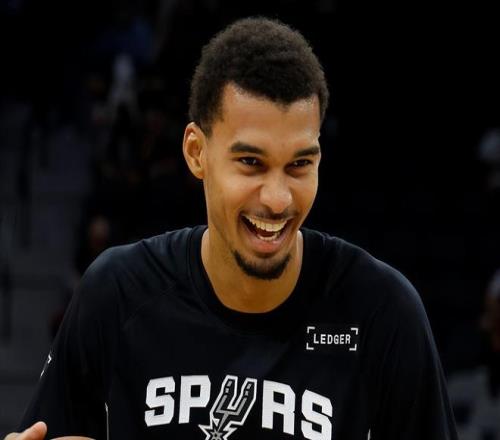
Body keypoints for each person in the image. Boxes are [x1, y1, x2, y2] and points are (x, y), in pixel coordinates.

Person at [6, 17, 457, 440]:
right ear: (196, 152)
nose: (277, 198)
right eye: (251, 162)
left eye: (300, 164)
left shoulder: (383, 313)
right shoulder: (118, 294)